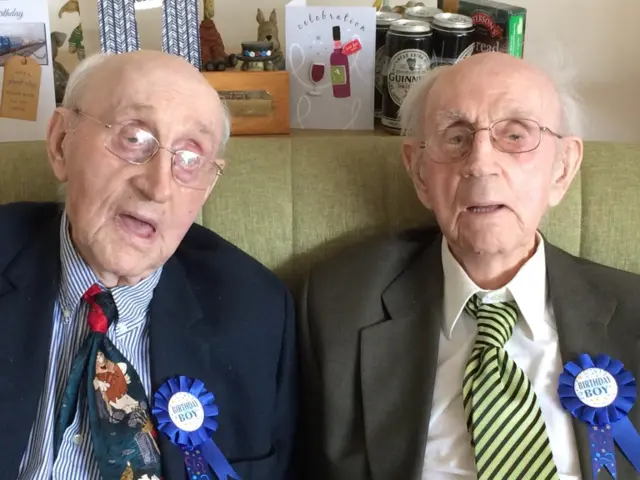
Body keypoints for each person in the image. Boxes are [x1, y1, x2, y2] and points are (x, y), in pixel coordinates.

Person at [297, 51, 640, 479]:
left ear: (562, 168)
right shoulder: (339, 308)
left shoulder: (632, 310)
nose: (480, 163)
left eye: (515, 136)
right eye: (456, 138)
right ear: (419, 171)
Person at [2, 50, 296, 479]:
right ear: (61, 142)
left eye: (190, 157)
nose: (158, 187)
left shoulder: (257, 314)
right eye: (134, 137)